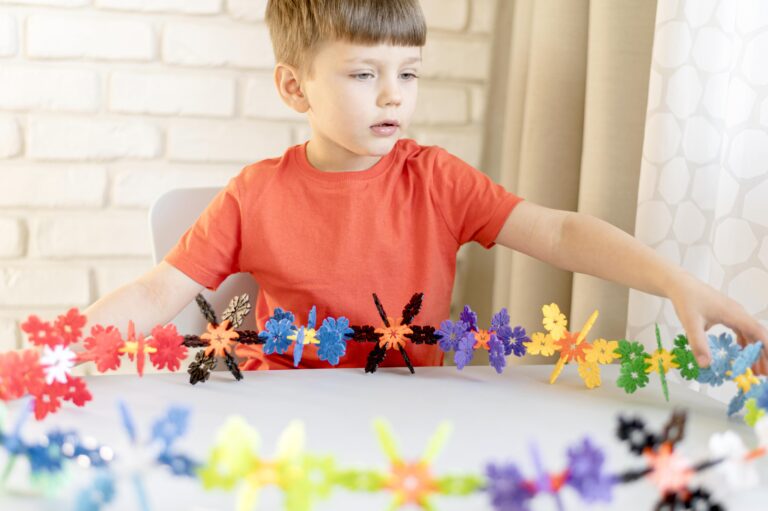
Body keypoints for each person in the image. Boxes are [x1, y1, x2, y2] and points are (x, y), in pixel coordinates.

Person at [82, 0, 768, 373]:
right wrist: (57, 352)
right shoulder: (253, 194)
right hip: (287, 422)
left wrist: (676, 281)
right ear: (296, 86)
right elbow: (155, 292)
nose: (393, 95)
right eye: (363, 74)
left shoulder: (436, 179)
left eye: (408, 73)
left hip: (422, 408)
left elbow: (558, 231)